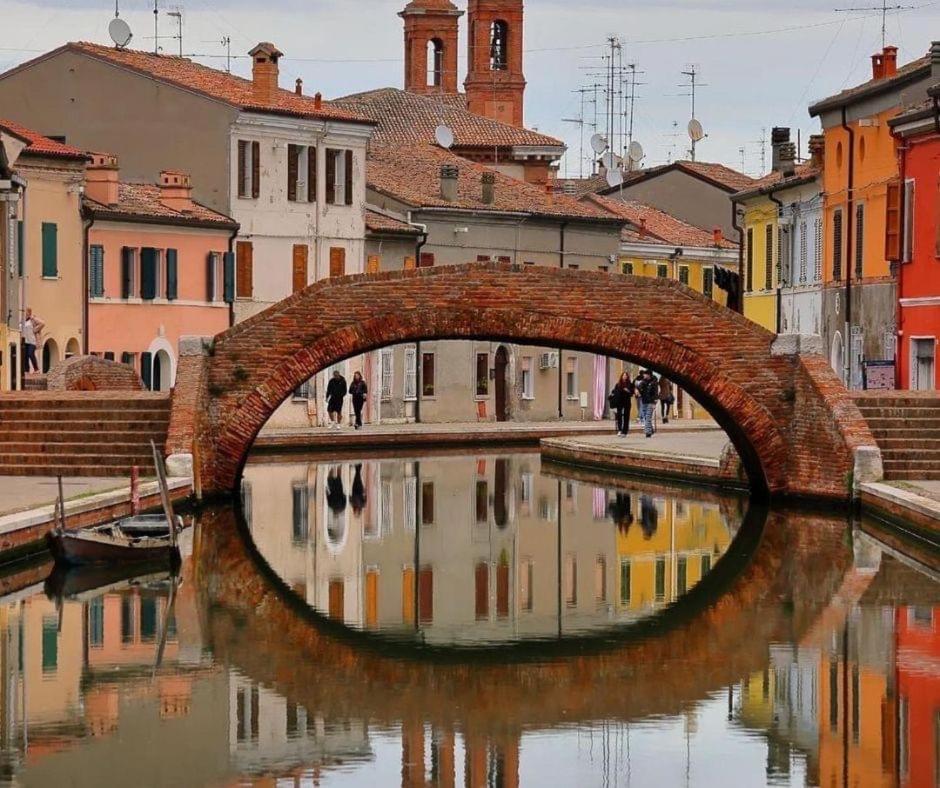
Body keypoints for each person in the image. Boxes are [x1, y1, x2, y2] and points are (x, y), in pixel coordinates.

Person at [608, 371, 635, 437]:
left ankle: (625, 431)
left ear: (627, 377)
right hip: (619, 402)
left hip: (627, 402)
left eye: (626, 375)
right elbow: (614, 391)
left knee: (626, 416)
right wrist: (612, 395)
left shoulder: (630, 384)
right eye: (623, 375)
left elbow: (632, 393)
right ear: (621, 376)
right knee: (619, 416)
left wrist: (627, 391)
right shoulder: (618, 384)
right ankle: (620, 429)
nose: (624, 377)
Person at [636, 369, 660, 438]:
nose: (644, 375)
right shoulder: (643, 382)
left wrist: (655, 403)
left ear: (648, 375)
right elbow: (639, 387)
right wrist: (637, 391)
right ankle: (651, 429)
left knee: (648, 417)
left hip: (651, 402)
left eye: (645, 374)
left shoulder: (654, 382)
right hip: (644, 401)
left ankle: (648, 432)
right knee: (645, 417)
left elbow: (656, 393)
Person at [20, 308, 44, 374]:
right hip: (25, 341)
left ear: (29, 313)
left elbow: (42, 323)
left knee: (31, 354)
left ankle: (36, 369)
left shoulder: (33, 319)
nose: (25, 314)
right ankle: (26, 370)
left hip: (32, 341)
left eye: (26, 312)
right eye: (24, 312)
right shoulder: (22, 321)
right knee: (25, 356)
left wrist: (35, 330)